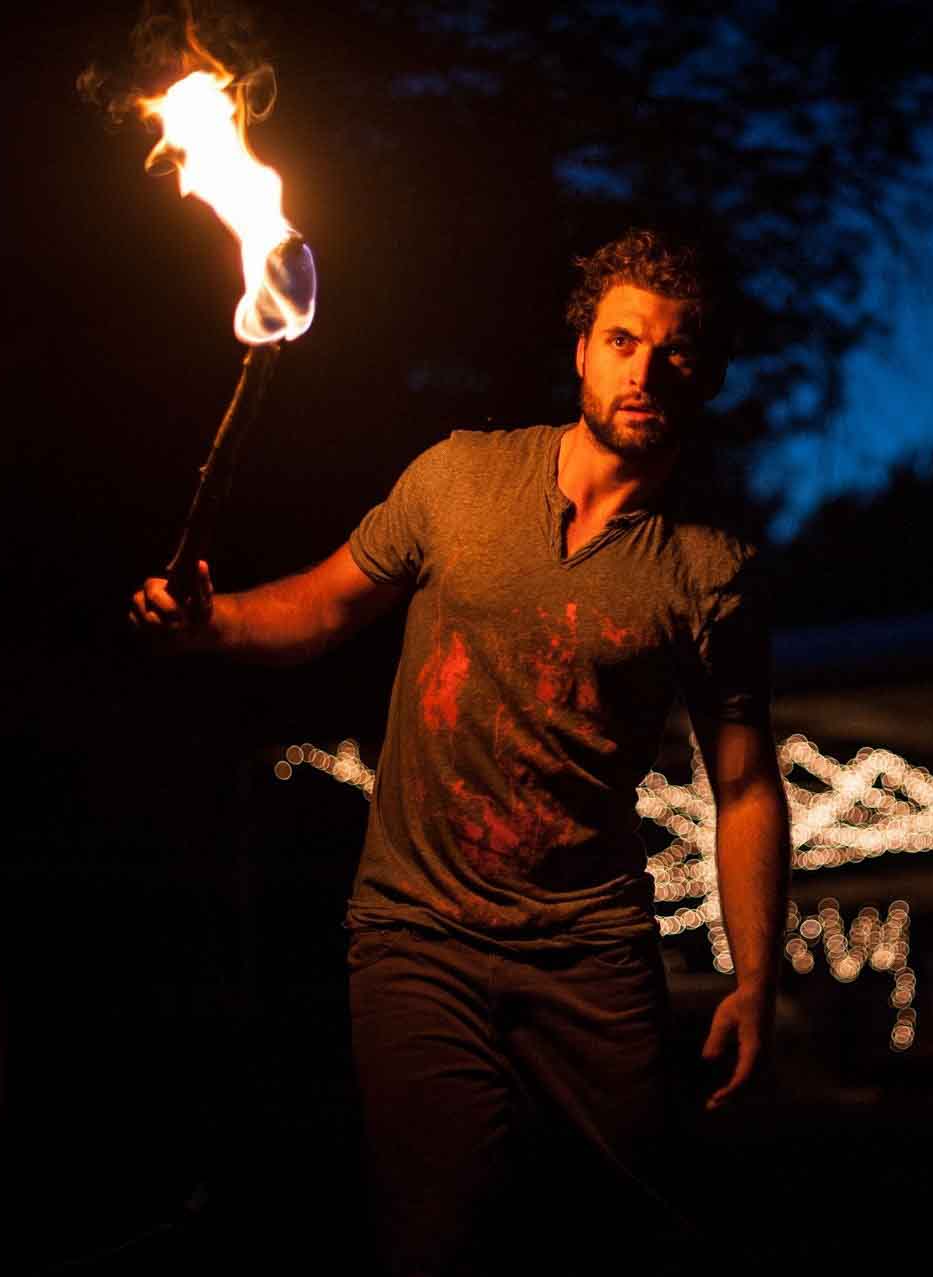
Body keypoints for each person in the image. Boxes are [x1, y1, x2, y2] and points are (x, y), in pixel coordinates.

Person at [130, 228, 791, 1274]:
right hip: (418, 933)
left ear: (703, 372)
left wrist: (759, 979)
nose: (644, 368)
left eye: (673, 351)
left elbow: (746, 785)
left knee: (633, 1228)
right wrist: (210, 625)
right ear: (580, 349)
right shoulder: (458, 477)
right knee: (439, 1235)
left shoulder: (710, 571)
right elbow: (326, 604)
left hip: (589, 947)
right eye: (622, 339)